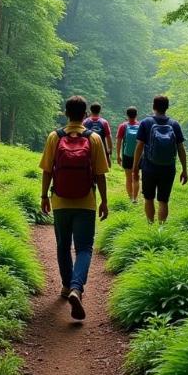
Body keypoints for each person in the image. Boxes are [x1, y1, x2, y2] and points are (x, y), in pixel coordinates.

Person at [40, 95, 109, 321]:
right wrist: (104, 201)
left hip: (60, 200)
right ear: (85, 114)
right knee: (84, 248)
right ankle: (76, 288)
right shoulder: (95, 138)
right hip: (86, 202)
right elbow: (100, 174)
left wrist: (44, 196)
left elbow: (47, 170)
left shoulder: (54, 137)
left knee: (62, 245)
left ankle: (66, 285)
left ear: (66, 112)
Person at [132, 95, 187, 224]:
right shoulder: (174, 124)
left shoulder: (146, 123)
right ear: (167, 107)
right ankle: (161, 230)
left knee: (149, 198)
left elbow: (139, 147)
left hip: (148, 167)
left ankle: (150, 226)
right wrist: (184, 170)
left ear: (153, 106)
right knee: (163, 201)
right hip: (168, 168)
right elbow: (181, 149)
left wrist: (135, 167)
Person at [116, 106, 141, 203]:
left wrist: (118, 155)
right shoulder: (140, 125)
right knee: (136, 176)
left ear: (127, 115)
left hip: (127, 155)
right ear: (136, 115)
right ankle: (135, 198)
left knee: (128, 178)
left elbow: (119, 141)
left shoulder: (123, 126)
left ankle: (130, 198)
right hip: (138, 155)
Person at [84, 102, 112, 168]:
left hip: (88, 148)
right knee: (101, 168)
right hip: (102, 148)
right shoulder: (104, 122)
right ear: (100, 110)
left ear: (90, 110)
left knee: (89, 167)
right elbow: (108, 136)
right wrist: (110, 148)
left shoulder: (85, 121)